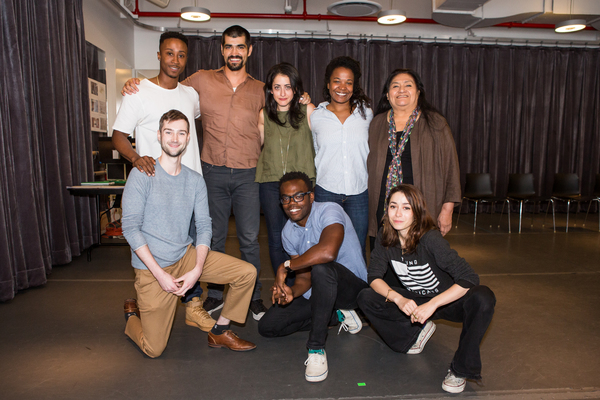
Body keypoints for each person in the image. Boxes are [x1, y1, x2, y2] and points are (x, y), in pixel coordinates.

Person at [121, 110, 257, 358]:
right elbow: (130, 228)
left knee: (247, 273)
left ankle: (220, 329)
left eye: (181, 132)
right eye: (169, 132)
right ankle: (132, 315)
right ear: (160, 136)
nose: (175, 138)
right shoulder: (141, 175)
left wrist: (196, 270)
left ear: (188, 139)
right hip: (153, 268)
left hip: (185, 257)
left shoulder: (195, 180)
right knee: (154, 349)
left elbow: (205, 225)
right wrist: (160, 275)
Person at [112, 31, 213, 332]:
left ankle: (193, 305)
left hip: (190, 184)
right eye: (169, 53)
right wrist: (135, 158)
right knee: (157, 248)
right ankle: (149, 298)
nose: (175, 60)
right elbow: (118, 137)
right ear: (158, 55)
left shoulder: (190, 95)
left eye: (181, 55)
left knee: (193, 248)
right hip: (157, 185)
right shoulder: (138, 91)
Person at [357, 184, 495, 393]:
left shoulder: (430, 238)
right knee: (366, 297)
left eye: (406, 208)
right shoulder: (386, 240)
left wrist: (433, 305)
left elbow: (469, 277)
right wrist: (397, 299)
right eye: (393, 206)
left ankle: (460, 370)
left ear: (417, 211)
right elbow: (374, 277)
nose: (398, 213)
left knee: (484, 297)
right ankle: (415, 334)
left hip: (447, 301)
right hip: (415, 301)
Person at [258, 171, 368, 383]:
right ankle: (337, 315)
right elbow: (304, 279)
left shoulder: (329, 210)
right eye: (286, 198)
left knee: (322, 267)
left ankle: (316, 349)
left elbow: (328, 252)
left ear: (311, 196)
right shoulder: (288, 233)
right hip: (321, 292)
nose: (292, 203)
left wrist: (285, 266)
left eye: (299, 196)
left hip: (352, 290)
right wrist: (292, 291)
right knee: (268, 326)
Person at [367, 69, 461, 250]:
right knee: (383, 258)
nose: (401, 90)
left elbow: (451, 167)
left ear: (418, 92)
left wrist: (447, 210)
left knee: (418, 261)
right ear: (387, 95)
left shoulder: (435, 123)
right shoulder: (377, 123)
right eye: (395, 86)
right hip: (383, 207)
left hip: (422, 206)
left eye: (408, 85)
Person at [256, 62, 316, 278]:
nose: (282, 92)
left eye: (288, 86)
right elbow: (259, 148)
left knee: (304, 235)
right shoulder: (263, 115)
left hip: (301, 186)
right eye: (277, 86)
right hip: (270, 183)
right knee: (275, 237)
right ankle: (283, 285)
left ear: (296, 89)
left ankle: (303, 285)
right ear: (270, 89)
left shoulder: (308, 110)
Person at [310, 56, 372, 257]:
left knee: (358, 247)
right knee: (327, 248)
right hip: (326, 191)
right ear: (328, 84)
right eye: (337, 81)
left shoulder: (367, 115)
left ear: (354, 87)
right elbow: (314, 150)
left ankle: (357, 288)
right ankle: (329, 288)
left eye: (349, 82)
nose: (342, 87)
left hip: (359, 192)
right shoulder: (316, 116)